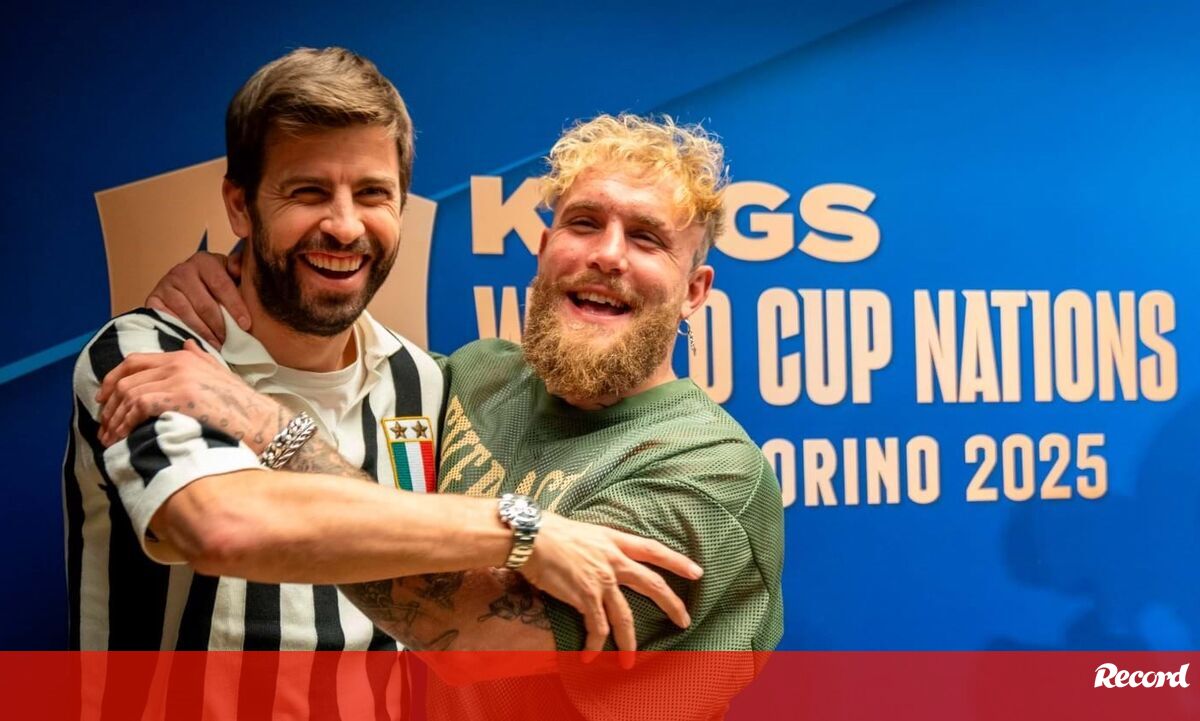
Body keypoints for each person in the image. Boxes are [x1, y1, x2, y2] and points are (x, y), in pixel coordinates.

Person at [65, 47, 699, 718]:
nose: (344, 226)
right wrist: (525, 530)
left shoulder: (425, 380)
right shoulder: (151, 357)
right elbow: (218, 525)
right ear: (240, 206)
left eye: (372, 194)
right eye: (308, 192)